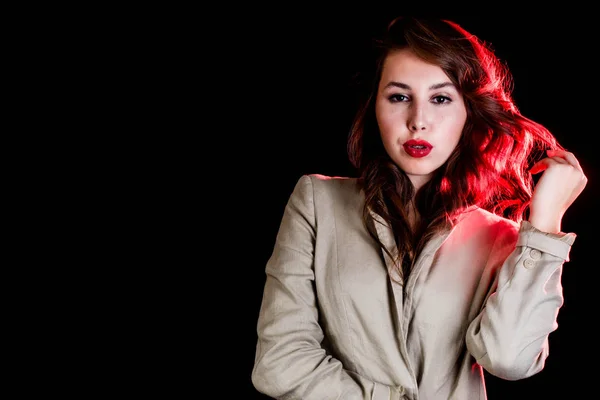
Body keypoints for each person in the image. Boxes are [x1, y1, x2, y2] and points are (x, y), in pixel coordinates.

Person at [251, 16, 588, 400]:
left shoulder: (503, 239)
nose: (418, 121)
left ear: (469, 112)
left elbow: (509, 359)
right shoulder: (316, 203)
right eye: (399, 97)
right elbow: (279, 363)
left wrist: (544, 229)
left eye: (440, 98)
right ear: (374, 105)